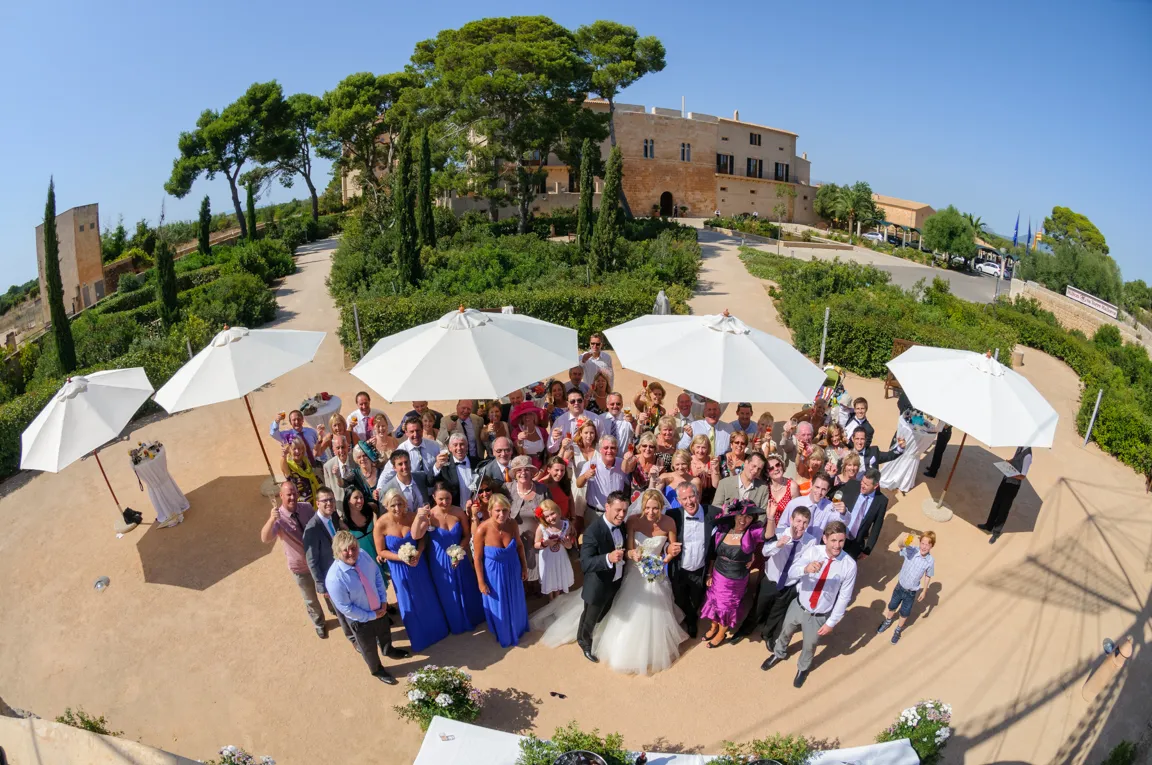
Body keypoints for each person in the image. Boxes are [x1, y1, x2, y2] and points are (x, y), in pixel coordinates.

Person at [762, 520, 857, 688]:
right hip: (799, 605)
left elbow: (844, 597)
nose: (837, 545)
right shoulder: (813, 552)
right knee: (785, 631)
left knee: (810, 644)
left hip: (819, 615)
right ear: (825, 538)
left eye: (841, 541)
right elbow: (791, 572)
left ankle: (803, 668)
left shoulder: (849, 565)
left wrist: (831, 622)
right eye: (833, 540)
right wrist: (805, 569)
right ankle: (779, 653)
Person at [325, 530, 409, 684]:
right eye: (345, 550)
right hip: (360, 619)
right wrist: (371, 616)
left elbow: (376, 574)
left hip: (379, 608)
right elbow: (346, 608)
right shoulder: (334, 579)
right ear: (337, 552)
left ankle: (388, 650)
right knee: (368, 647)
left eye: (353, 548)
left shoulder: (362, 554)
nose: (351, 553)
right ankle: (377, 670)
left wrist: (383, 601)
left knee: (384, 632)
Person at [374, 488, 449, 652]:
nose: (397, 508)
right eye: (392, 505)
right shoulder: (381, 524)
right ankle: (420, 638)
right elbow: (381, 551)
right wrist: (401, 558)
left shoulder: (412, 517)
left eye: (400, 503)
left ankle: (437, 631)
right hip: (399, 569)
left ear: (405, 503)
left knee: (426, 596)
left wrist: (419, 552)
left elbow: (422, 538)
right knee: (409, 601)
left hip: (418, 565)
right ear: (386, 505)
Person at [739, 505, 817, 647]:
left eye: (805, 522)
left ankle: (767, 635)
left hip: (789, 583)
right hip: (770, 580)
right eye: (798, 521)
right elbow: (765, 552)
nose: (801, 526)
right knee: (758, 608)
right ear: (791, 519)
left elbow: (805, 562)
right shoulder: (779, 532)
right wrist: (778, 544)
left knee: (777, 612)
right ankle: (745, 630)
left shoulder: (811, 541)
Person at [259, 481, 325, 638]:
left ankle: (333, 609)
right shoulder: (278, 518)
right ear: (281, 496)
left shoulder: (306, 508)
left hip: (317, 560)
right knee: (310, 599)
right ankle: (319, 623)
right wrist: (271, 519)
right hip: (300, 567)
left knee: (326, 589)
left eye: (294, 493)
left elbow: (318, 525)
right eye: (288, 494)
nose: (292, 497)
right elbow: (265, 538)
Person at [700, 498, 767, 648]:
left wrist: (771, 517)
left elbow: (767, 535)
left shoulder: (752, 532)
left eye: (749, 517)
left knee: (726, 608)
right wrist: (710, 574)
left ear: (753, 519)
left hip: (735, 580)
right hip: (717, 575)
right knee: (713, 602)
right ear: (734, 516)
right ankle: (713, 628)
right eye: (741, 516)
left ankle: (721, 634)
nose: (743, 520)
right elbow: (713, 554)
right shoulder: (723, 529)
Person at [575, 491, 630, 663]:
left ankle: (591, 635)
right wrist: (608, 558)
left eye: (624, 511)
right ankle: (584, 643)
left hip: (615, 579)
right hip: (597, 585)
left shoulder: (621, 525)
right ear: (607, 507)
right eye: (618, 510)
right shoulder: (593, 531)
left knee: (602, 614)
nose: (621, 515)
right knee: (590, 617)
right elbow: (585, 563)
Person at [425, 483, 485, 634]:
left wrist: (459, 550)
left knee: (466, 586)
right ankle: (455, 623)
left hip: (460, 555)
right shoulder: (429, 516)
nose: (445, 502)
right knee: (447, 591)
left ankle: (473, 617)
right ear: (433, 497)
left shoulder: (459, 512)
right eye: (441, 499)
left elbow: (467, 535)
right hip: (439, 559)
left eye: (448, 498)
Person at [474, 493, 530, 647]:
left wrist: (524, 567)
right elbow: (477, 558)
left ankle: (518, 629)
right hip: (494, 574)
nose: (501, 514)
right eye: (498, 510)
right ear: (490, 510)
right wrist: (480, 582)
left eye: (505, 510)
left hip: (513, 568)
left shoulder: (512, 524)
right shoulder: (482, 530)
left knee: (516, 599)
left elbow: (519, 546)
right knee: (499, 604)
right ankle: (504, 633)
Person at [302, 487, 355, 644]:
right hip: (330, 576)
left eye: (331, 499)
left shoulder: (333, 515)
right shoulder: (311, 529)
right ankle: (352, 638)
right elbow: (312, 561)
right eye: (325, 500)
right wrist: (321, 586)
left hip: (344, 567)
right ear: (317, 503)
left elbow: (338, 528)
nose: (329, 503)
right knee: (341, 610)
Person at [666, 482, 716, 639]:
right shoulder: (672, 515)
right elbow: (661, 537)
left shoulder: (713, 513)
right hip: (679, 568)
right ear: (679, 501)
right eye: (684, 498)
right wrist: (668, 548)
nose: (689, 502)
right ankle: (687, 617)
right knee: (679, 597)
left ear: (698, 496)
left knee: (696, 598)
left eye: (691, 496)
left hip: (700, 568)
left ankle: (692, 619)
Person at [877, 531, 936, 644]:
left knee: (905, 612)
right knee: (892, 605)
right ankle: (887, 621)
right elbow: (900, 545)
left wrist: (924, 590)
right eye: (922, 543)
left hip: (911, 592)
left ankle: (898, 630)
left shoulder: (930, 561)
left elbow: (928, 575)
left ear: (931, 546)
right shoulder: (912, 550)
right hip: (900, 587)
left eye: (927, 544)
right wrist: (906, 539)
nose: (924, 547)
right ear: (919, 543)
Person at [505, 455, 546, 585]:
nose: (523, 473)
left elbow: (551, 511)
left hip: (537, 539)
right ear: (515, 474)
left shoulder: (542, 489)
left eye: (526, 470)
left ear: (532, 472)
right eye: (519, 470)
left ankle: (536, 587)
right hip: (514, 538)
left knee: (537, 570)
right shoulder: (507, 488)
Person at [978, 446, 1032, 544]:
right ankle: (989, 525)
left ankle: (996, 532)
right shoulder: (1020, 448)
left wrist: (1011, 473)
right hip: (1006, 479)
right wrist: (1009, 462)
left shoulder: (1028, 456)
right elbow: (1015, 459)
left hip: (1013, 485)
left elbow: (1023, 476)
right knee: (997, 502)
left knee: (1004, 508)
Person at [339, 488, 389, 595]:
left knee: (381, 580)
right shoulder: (344, 523)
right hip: (362, 559)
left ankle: (385, 604)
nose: (360, 501)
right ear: (348, 500)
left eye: (361, 497)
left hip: (376, 552)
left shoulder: (369, 511)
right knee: (369, 584)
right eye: (356, 498)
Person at [835, 469, 890, 560]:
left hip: (855, 543)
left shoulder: (881, 501)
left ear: (875, 485)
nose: (862, 486)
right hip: (838, 534)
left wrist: (868, 549)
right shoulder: (852, 484)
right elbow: (835, 494)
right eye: (862, 482)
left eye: (867, 484)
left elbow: (877, 527)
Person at [576, 435, 634, 520]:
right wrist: (585, 476)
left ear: (617, 450)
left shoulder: (622, 463)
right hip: (595, 513)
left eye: (613, 448)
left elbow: (629, 471)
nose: (609, 451)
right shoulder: (591, 464)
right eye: (606, 448)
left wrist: (628, 458)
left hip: (616, 514)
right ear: (600, 450)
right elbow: (578, 484)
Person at [777, 473, 836, 541]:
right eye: (817, 487)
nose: (819, 492)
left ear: (828, 490)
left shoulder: (829, 507)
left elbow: (842, 521)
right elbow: (781, 527)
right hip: (790, 545)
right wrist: (787, 541)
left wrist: (844, 513)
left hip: (812, 548)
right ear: (811, 485)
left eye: (823, 489)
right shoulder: (795, 503)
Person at [535, 500, 575, 598]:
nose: (550, 518)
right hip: (548, 558)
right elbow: (536, 544)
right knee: (550, 577)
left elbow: (570, 545)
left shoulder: (566, 525)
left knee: (558, 575)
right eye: (547, 516)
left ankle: (557, 598)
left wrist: (567, 544)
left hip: (560, 556)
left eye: (552, 514)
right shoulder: (542, 528)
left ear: (558, 511)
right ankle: (550, 598)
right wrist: (545, 543)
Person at [383, 416, 442, 481]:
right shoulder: (401, 450)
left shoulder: (434, 445)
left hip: (432, 486)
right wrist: (379, 488)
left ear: (422, 430)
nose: (415, 434)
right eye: (412, 431)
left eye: (417, 430)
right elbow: (388, 472)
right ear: (406, 433)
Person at [433, 432, 476, 508]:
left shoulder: (476, 463)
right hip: (453, 510)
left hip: (474, 508)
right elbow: (430, 481)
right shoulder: (444, 465)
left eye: (462, 444)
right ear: (449, 448)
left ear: (467, 446)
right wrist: (437, 466)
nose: (459, 448)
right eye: (455, 445)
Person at [279, 436, 320, 504]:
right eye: (294, 449)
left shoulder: (306, 460)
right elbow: (283, 467)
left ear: (303, 449)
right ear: (290, 450)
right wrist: (284, 456)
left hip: (314, 499)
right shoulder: (289, 465)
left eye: (299, 448)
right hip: (300, 503)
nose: (297, 451)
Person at [510, 401, 548, 468]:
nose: (527, 417)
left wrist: (543, 469)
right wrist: (519, 440)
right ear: (521, 417)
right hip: (525, 468)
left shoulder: (542, 431)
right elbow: (519, 452)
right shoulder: (516, 432)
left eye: (529, 414)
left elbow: (548, 451)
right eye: (524, 415)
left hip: (542, 468)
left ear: (534, 416)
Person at [765, 454, 799, 528]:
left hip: (787, 529)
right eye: (771, 468)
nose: (776, 469)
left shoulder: (792, 486)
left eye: (777, 465)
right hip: (768, 529)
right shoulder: (765, 488)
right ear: (767, 473)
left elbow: (797, 513)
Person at [687, 434, 721, 505]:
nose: (700, 451)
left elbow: (716, 485)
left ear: (708, 448)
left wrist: (715, 470)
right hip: (690, 497)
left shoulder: (712, 461)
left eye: (703, 447)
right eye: (698, 447)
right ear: (693, 447)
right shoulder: (687, 461)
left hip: (709, 499)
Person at [323, 434, 356, 504]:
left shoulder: (356, 459)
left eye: (343, 447)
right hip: (340, 507)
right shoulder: (328, 466)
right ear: (333, 450)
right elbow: (329, 491)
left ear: (347, 447)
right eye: (338, 448)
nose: (341, 451)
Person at [540, 456, 573, 521]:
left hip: (566, 521)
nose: (560, 473)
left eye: (562, 470)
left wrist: (573, 518)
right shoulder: (541, 485)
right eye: (556, 470)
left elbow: (570, 500)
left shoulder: (565, 482)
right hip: (550, 523)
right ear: (548, 469)